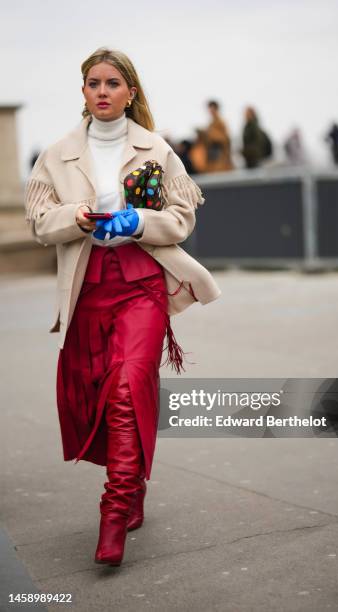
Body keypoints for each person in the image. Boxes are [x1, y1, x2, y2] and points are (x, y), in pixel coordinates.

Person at [24, 47, 221, 567]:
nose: (103, 91)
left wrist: (137, 223)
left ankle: (113, 512)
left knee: (130, 386)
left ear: (130, 91)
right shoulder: (56, 154)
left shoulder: (157, 150)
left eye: (113, 83)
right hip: (87, 289)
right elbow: (41, 222)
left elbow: (181, 219)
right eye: (94, 83)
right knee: (96, 393)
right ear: (84, 91)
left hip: (142, 286)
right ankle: (131, 485)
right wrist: (80, 217)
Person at [199, 100, 234, 172]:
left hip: (221, 159)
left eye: (212, 109)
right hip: (213, 157)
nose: (210, 111)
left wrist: (211, 134)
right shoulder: (211, 123)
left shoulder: (221, 122)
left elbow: (225, 139)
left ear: (216, 109)